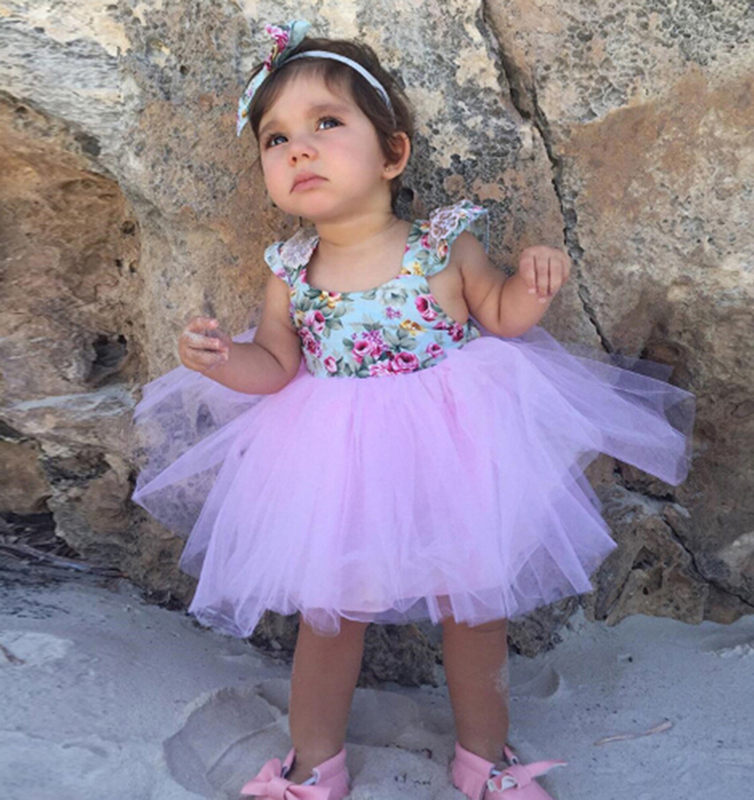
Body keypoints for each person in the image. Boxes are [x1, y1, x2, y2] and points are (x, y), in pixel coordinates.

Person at [131, 20, 695, 800]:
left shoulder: (440, 244)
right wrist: (226, 360)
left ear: (392, 153)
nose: (299, 150)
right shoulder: (290, 272)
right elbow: (278, 365)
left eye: (327, 124)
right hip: (338, 465)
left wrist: (532, 286)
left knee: (474, 611)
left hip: (454, 449)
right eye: (275, 138)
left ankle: (484, 760)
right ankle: (313, 765)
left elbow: (498, 316)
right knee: (330, 616)